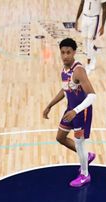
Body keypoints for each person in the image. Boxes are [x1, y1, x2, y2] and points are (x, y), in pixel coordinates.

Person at [43, 38, 97, 189]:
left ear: (74, 52)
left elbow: (93, 96)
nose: (65, 55)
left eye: (68, 52)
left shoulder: (78, 70)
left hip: (81, 112)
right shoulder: (64, 70)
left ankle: (85, 175)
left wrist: (75, 110)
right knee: (60, 137)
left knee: (79, 143)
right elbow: (65, 90)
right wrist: (50, 105)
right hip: (71, 110)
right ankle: (87, 156)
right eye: (62, 52)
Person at [74, 0, 106, 72]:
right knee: (84, 40)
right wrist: (76, 19)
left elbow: (104, 9)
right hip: (85, 17)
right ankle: (92, 57)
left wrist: (103, 26)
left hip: (94, 19)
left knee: (90, 40)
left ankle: (89, 64)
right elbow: (82, 4)